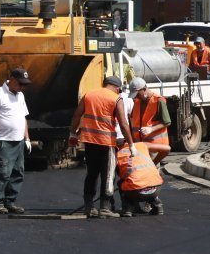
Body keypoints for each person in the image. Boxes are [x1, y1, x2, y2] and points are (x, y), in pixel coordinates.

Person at [70, 76, 133, 219]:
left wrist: (72, 134)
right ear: (117, 88)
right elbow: (123, 124)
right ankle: (104, 208)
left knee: (91, 174)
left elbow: (76, 115)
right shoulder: (116, 99)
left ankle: (88, 206)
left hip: (90, 141)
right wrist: (131, 144)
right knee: (108, 175)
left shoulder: (89, 95)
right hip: (107, 143)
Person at [0, 68, 32, 215]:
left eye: (24, 85)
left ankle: (10, 202)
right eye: (20, 84)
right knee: (2, 173)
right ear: (11, 79)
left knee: (18, 173)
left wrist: (27, 138)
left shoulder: (20, 96)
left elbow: (23, 117)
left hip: (18, 141)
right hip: (4, 141)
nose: (22, 87)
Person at [127, 77, 172, 163]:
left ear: (144, 89)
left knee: (151, 172)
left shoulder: (158, 101)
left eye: (137, 94)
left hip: (155, 147)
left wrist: (151, 129)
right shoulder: (137, 101)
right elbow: (133, 121)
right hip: (140, 146)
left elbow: (167, 122)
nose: (136, 96)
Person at [115, 140, 165, 217]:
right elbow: (167, 148)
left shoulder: (117, 153)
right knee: (150, 180)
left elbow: (122, 176)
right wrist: (154, 163)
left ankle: (127, 208)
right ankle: (158, 205)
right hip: (156, 188)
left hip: (135, 191)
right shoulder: (142, 145)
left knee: (121, 183)